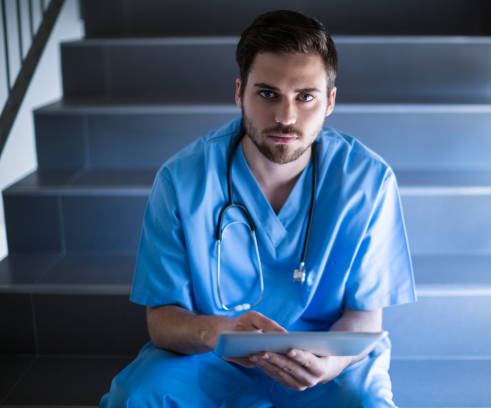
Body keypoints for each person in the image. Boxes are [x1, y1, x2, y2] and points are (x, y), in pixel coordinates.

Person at [101, 9, 416, 408]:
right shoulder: (182, 181)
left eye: (306, 97)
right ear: (239, 93)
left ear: (330, 101)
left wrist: (332, 363)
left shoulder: (367, 183)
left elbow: (365, 320)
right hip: (211, 359)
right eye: (267, 94)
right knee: (137, 398)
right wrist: (214, 333)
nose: (286, 117)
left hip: (323, 365)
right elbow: (162, 321)